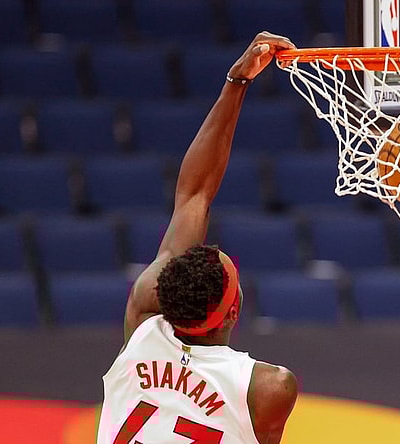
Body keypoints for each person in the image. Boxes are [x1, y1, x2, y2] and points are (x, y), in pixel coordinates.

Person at [96, 32, 298, 444]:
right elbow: (196, 196)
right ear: (233, 311)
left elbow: (193, 195)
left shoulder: (143, 325)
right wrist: (237, 84)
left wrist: (235, 82)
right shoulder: (267, 388)